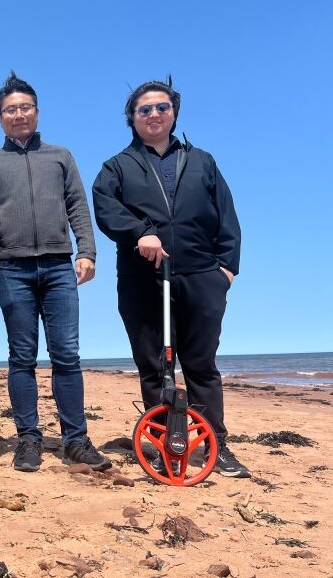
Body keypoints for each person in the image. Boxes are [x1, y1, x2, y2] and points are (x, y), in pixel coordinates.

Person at [92, 78, 249, 478]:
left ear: (174, 112)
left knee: (201, 366)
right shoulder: (117, 167)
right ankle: (165, 446)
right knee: (154, 367)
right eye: (144, 110)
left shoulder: (202, 161)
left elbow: (228, 218)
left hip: (200, 276)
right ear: (132, 118)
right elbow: (105, 208)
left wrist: (226, 270)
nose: (154, 115)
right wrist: (140, 231)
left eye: (161, 107)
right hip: (142, 280)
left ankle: (216, 445)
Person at [0, 73, 111, 473]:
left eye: (25, 107)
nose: (19, 115)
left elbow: (78, 206)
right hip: (11, 269)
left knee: (67, 355)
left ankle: (76, 440)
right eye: (10, 110)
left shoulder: (60, 156)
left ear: (37, 112)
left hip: (58, 266)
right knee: (21, 357)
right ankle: (29, 440)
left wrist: (86, 251)